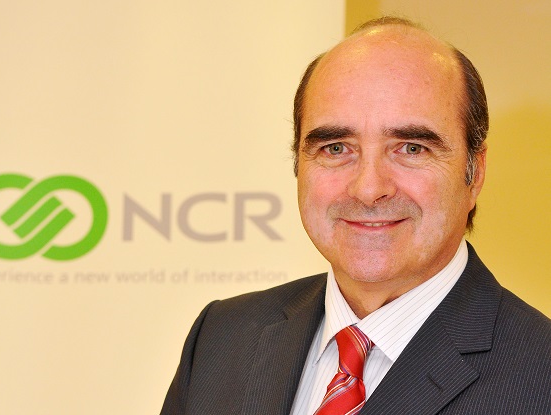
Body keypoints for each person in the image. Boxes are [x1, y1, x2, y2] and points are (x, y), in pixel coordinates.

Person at [161, 17, 551, 415]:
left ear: (475, 173)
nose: (368, 188)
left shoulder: (542, 376)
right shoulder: (220, 338)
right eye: (335, 148)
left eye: (411, 148)